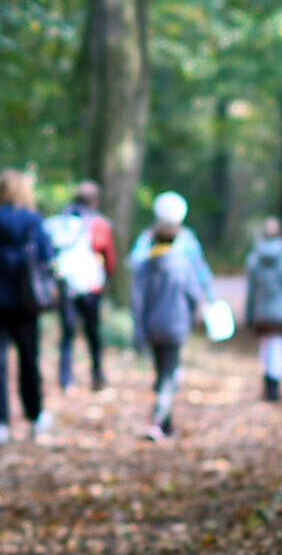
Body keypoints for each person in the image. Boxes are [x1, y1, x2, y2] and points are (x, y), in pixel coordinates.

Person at [0, 169, 55, 443]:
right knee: (29, 359)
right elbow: (46, 255)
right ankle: (34, 416)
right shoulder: (32, 220)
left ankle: (0, 423)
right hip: (26, 300)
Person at [132, 215, 209, 441]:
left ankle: (167, 425)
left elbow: (138, 300)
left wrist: (139, 329)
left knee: (162, 373)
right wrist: (191, 316)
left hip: (152, 327)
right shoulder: (182, 263)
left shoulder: (145, 265)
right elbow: (194, 293)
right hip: (175, 326)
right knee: (168, 376)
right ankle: (157, 422)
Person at [44, 181, 118, 392]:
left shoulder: (60, 222)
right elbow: (108, 257)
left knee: (67, 333)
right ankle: (97, 375)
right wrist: (106, 278)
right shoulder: (99, 224)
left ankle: (66, 379)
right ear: (95, 201)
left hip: (66, 285)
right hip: (91, 287)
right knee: (93, 332)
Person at [244, 217, 282, 402]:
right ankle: (275, 388)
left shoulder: (254, 258)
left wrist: (249, 315)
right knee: (278, 348)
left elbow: (251, 292)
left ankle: (268, 386)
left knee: (265, 347)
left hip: (262, 313)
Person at [130, 190, 212, 272]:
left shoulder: (187, 240)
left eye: (171, 226)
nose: (168, 230)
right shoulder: (147, 238)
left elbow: (200, 268)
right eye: (166, 226)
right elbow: (134, 262)